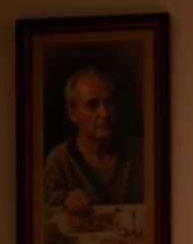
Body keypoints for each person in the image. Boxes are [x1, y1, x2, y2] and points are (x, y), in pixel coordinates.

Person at [43, 67, 144, 212]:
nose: (104, 113)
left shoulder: (137, 151)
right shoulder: (58, 161)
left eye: (109, 103)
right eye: (92, 105)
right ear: (72, 113)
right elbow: (42, 208)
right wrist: (65, 198)